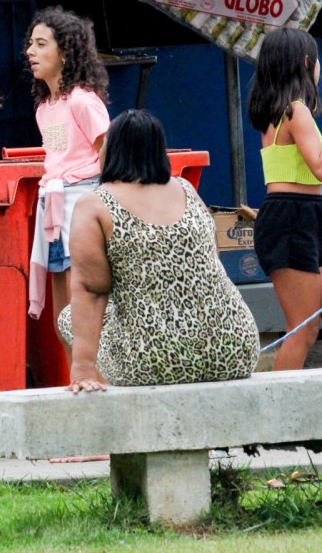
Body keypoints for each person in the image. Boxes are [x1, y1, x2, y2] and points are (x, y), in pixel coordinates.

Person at [61, 109, 259, 392]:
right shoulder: (186, 189)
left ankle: (102, 398)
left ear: (114, 151)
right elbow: (211, 257)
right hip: (234, 350)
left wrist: (82, 369)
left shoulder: (94, 204)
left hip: (153, 361)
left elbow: (92, 290)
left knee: (68, 317)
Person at [245, 28, 322, 371]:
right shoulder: (296, 110)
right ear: (305, 62)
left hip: (303, 215)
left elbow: (315, 163)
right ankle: (277, 404)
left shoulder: (279, 111)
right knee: (303, 330)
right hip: (292, 218)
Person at [24, 7, 110, 352]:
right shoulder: (45, 107)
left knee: (84, 311)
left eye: (41, 44)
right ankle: (77, 377)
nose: (30, 51)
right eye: (31, 44)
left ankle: (94, 378)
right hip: (55, 209)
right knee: (64, 319)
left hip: (80, 207)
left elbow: (106, 151)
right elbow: (59, 156)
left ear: (65, 53)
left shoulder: (81, 101)